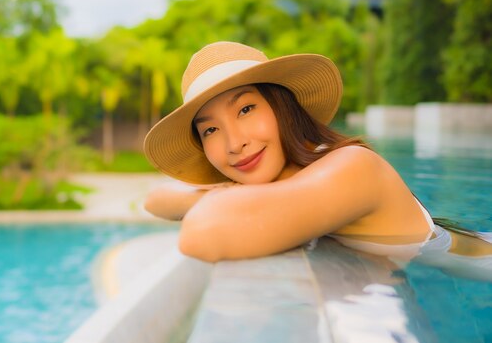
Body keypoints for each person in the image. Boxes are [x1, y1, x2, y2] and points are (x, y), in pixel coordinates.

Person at [143, 41, 492, 273]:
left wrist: (222, 195)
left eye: (246, 109)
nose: (234, 143)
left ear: (283, 108)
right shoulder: (293, 183)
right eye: (210, 130)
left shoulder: (353, 167)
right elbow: (155, 201)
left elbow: (203, 232)